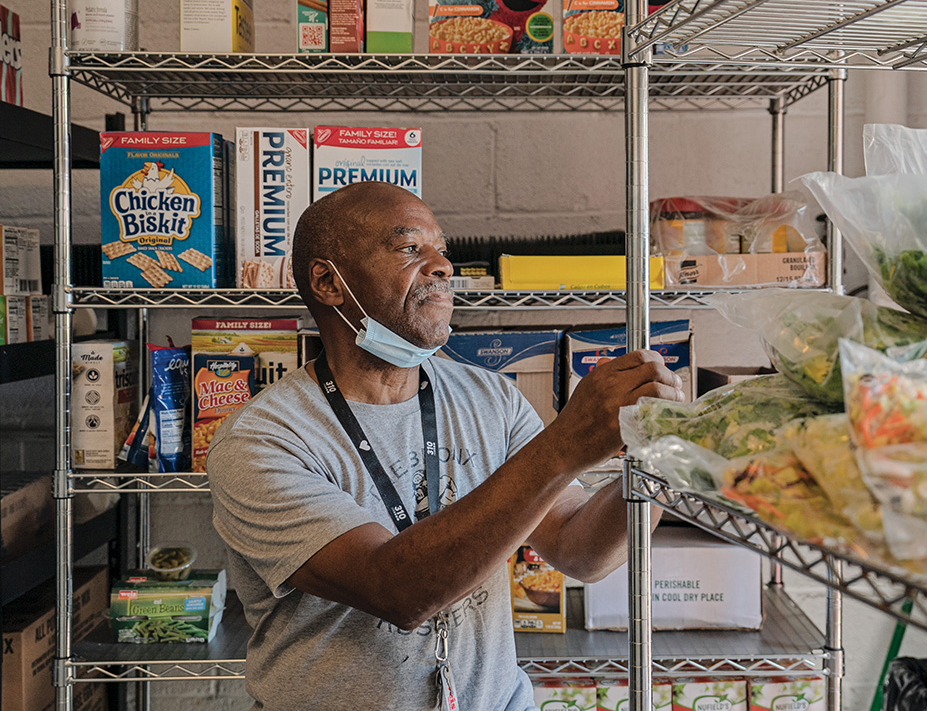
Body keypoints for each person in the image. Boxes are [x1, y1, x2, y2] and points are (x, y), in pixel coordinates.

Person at [207, 182, 678, 711]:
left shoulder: (491, 399)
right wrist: (565, 442)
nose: (442, 267)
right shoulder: (263, 440)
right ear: (328, 282)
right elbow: (395, 590)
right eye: (410, 249)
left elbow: (582, 549)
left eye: (442, 251)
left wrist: (662, 455)